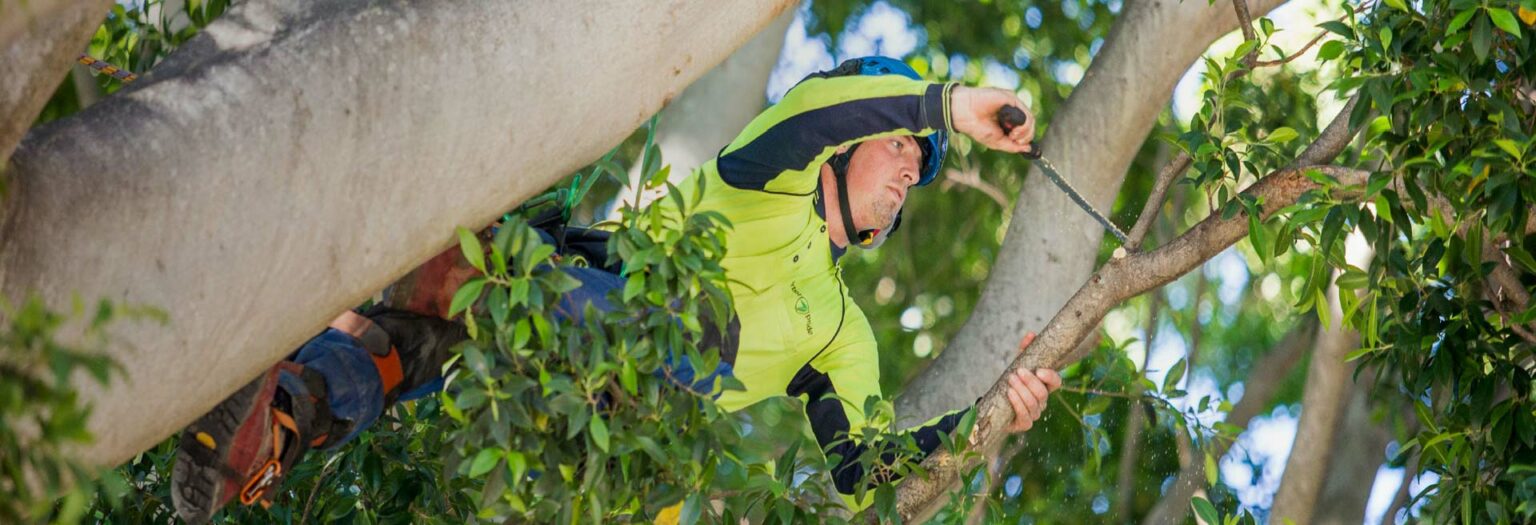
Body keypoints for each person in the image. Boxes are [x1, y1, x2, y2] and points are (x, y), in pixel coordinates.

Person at [169, 56, 1062, 523]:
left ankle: (461, 278)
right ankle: (269, 430)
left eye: (921, 166)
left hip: (638, 437)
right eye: (900, 145)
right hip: (575, 329)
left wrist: (988, 417)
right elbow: (818, 109)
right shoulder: (774, 173)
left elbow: (865, 468)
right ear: (849, 140)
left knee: (504, 282)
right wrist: (947, 106)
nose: (910, 169)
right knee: (412, 334)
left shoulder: (842, 331)